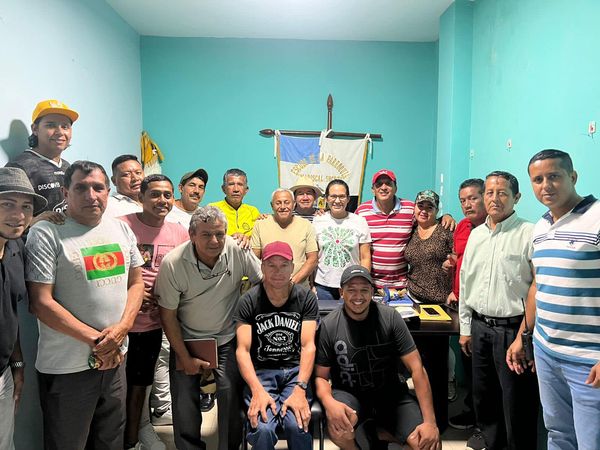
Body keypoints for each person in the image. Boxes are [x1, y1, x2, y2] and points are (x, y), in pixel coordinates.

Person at [25, 160, 145, 450]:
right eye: (81, 188)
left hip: (116, 360)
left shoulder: (121, 229)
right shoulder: (46, 233)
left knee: (110, 439)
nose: (91, 195)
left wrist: (122, 330)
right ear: (65, 192)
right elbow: (41, 303)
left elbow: (136, 283)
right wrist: (100, 342)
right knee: (68, 443)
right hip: (68, 367)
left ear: (108, 192)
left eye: (98, 187)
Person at [155, 205, 262, 450]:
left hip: (226, 336)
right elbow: (168, 316)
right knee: (184, 400)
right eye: (206, 234)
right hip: (188, 338)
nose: (215, 241)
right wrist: (184, 357)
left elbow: (262, 282)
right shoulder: (173, 263)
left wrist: (246, 316)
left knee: (230, 393)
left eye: (220, 234)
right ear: (192, 235)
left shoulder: (237, 249)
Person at [315, 265, 440, 450]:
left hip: (390, 393)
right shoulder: (329, 325)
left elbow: (417, 369)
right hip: (350, 394)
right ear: (341, 293)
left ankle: (377, 432)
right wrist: (329, 403)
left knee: (428, 443)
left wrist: (430, 422)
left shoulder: (390, 317)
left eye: (364, 290)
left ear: (372, 292)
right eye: (351, 290)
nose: (358, 296)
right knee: (339, 429)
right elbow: (320, 376)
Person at [523, 149, 600, 449]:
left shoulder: (596, 218)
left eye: (554, 176)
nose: (546, 185)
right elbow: (538, 285)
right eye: (538, 179)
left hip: (588, 360)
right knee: (557, 433)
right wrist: (525, 335)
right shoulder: (540, 227)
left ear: (573, 176)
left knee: (591, 441)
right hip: (546, 352)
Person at [459, 171, 539, 450]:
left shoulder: (529, 233)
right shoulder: (477, 235)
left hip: (513, 331)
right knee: (485, 399)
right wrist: (466, 328)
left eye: (502, 193)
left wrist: (523, 334)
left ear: (516, 197)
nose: (494, 199)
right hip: (480, 328)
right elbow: (466, 281)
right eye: (489, 193)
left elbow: (537, 285)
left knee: (517, 403)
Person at [118, 174, 189, 450]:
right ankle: (123, 440)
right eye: (155, 194)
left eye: (167, 195)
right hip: (122, 322)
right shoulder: (122, 226)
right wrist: (133, 293)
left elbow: (183, 272)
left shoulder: (179, 232)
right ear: (141, 197)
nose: (162, 200)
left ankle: (136, 436)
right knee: (119, 389)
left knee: (141, 385)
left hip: (154, 323)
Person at [235, 241, 318, 449]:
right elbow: (242, 350)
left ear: (292, 267)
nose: (277, 271)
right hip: (261, 373)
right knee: (263, 428)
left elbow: (308, 346)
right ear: (262, 267)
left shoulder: (305, 298)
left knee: (297, 425)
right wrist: (256, 390)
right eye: (271, 265)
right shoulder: (248, 300)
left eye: (283, 265)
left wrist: (300, 389)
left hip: (295, 372)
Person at [0, 167, 47, 450]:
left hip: (4, 373)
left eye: (26, 207)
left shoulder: (16, 248)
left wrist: (17, 364)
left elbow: (9, 314)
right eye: (7, 204)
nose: (18, 215)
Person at [355, 169, 455, 290]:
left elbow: (427, 220)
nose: (383, 187)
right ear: (373, 189)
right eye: (379, 184)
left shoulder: (409, 208)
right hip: (372, 285)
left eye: (388, 183)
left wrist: (446, 216)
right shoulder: (361, 211)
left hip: (402, 287)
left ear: (395, 188)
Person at [404, 189, 453, 428]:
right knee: (417, 360)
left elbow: (458, 259)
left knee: (436, 364)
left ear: (436, 210)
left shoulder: (445, 230)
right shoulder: (412, 229)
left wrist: (450, 266)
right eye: (420, 206)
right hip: (413, 300)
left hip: (438, 305)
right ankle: (419, 413)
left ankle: (439, 419)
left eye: (429, 207)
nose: (424, 211)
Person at [445, 178, 486, 433]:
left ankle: (484, 424)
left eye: (473, 198)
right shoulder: (462, 226)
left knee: (482, 371)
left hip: (483, 309)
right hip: (461, 302)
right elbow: (460, 259)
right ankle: (473, 413)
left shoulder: (492, 229)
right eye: (463, 200)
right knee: (469, 363)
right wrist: (453, 286)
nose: (467, 204)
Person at [6, 99, 78, 223]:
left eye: (65, 126)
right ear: (35, 129)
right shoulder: (18, 167)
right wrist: (33, 221)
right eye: (51, 125)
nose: (60, 132)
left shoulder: (68, 167)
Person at [312, 179, 371, 300]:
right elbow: (313, 256)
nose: (337, 200)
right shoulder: (318, 220)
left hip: (351, 284)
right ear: (326, 198)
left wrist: (362, 283)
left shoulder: (360, 221)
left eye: (342, 196)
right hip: (323, 285)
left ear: (348, 199)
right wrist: (311, 284)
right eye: (333, 196)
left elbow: (365, 257)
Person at [251, 189, 318, 288]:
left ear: (294, 204)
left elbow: (312, 259)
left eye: (287, 203)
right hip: (268, 288)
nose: (283, 207)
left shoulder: (306, 225)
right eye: (278, 203)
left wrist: (292, 283)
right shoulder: (260, 224)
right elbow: (254, 259)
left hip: (299, 288)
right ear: (272, 205)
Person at [209, 168, 260, 238]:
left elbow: (258, 238)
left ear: (246, 190)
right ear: (223, 189)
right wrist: (230, 239)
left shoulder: (253, 211)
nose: (236, 189)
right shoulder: (212, 209)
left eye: (240, 184)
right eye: (231, 184)